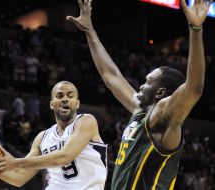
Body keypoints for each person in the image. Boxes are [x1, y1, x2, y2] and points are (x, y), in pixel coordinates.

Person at [66, 0, 212, 189]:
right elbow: (111, 75)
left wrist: (195, 29)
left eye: (148, 81)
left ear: (161, 93)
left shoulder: (162, 117)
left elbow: (193, 88)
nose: (141, 85)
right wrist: (89, 31)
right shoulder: (140, 111)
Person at [0, 81, 107, 190]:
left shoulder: (87, 121)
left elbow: (64, 157)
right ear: (51, 104)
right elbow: (20, 177)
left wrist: (15, 162)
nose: (65, 99)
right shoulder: (42, 138)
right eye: (59, 96)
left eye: (70, 96)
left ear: (77, 104)